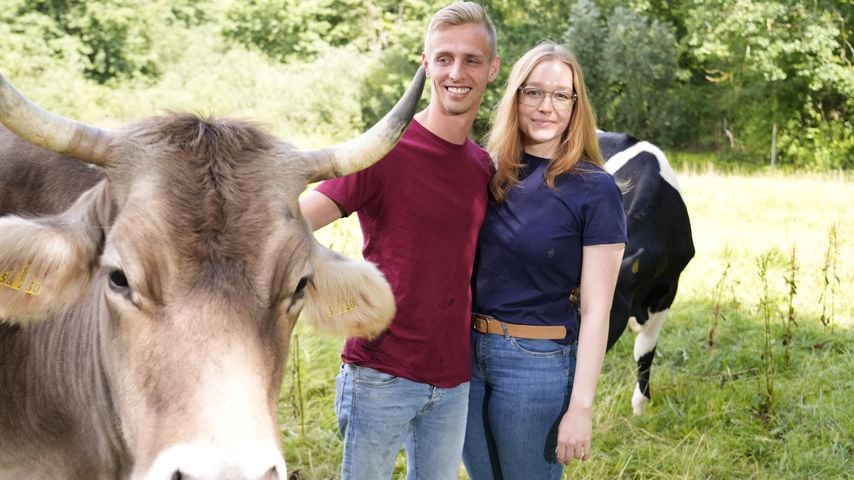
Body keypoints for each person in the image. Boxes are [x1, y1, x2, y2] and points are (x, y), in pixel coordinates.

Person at [299, 3, 500, 479]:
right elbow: (291, 224)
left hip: (452, 379)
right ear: (426, 63)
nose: (457, 72)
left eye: (472, 60)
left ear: (492, 69)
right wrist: (338, 286)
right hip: (379, 374)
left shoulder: (481, 167)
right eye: (444, 58)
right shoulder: (385, 151)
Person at [462, 42, 627, 480]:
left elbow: (597, 310)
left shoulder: (595, 190)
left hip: (533, 364)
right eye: (533, 92)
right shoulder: (486, 170)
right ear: (515, 97)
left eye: (560, 95)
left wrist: (581, 408)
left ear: (576, 106)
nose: (545, 107)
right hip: (464, 360)